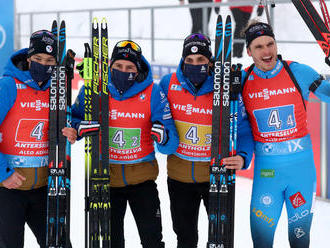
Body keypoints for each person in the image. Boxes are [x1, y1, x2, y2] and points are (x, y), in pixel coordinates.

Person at [72, 40, 179, 248]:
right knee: (112, 242)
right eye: (118, 66)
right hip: (105, 180)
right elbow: (71, 120)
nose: (124, 71)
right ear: (110, 66)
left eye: (130, 67)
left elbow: (171, 143)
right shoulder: (94, 89)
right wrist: (78, 128)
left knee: (152, 241)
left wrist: (164, 136)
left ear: (138, 69)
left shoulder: (153, 93)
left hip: (143, 182)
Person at [159, 33, 254, 248]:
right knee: (185, 238)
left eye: (201, 60)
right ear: (183, 59)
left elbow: (243, 128)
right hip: (178, 177)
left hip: (216, 176)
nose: (195, 64)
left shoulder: (224, 86)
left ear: (210, 61)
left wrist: (243, 156)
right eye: (189, 60)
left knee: (220, 238)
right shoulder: (168, 83)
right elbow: (155, 117)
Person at [241, 20, 330, 247]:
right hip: (267, 173)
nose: (267, 51)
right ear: (249, 51)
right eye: (259, 46)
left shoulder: (297, 71)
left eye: (270, 43)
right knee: (261, 240)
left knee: (299, 240)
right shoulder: (242, 81)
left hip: (300, 169)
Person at [0, 30, 77, 248]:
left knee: (59, 244)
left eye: (50, 60)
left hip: (46, 187)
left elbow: (68, 121)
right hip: (8, 188)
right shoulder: (8, 85)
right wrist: (3, 173)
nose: (44, 65)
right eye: (38, 59)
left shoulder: (57, 90)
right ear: (28, 59)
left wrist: (71, 130)